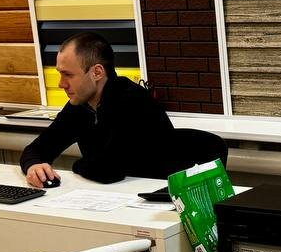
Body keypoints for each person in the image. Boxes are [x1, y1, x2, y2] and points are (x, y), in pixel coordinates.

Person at [20, 32, 178, 185]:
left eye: (68, 75)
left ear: (97, 72)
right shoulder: (80, 105)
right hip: (113, 194)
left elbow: (107, 171)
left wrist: (75, 165)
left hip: (155, 195)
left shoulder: (133, 101)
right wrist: (34, 166)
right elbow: (36, 149)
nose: (61, 84)